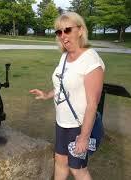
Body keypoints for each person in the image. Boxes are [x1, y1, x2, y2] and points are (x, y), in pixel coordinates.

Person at [29, 12, 105, 180]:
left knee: (78, 169)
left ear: (80, 30)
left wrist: (84, 137)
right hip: (62, 122)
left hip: (79, 125)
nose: (63, 35)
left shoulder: (91, 61)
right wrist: (47, 94)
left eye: (67, 30)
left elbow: (93, 104)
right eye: (59, 32)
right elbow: (62, 86)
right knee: (60, 161)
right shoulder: (65, 57)